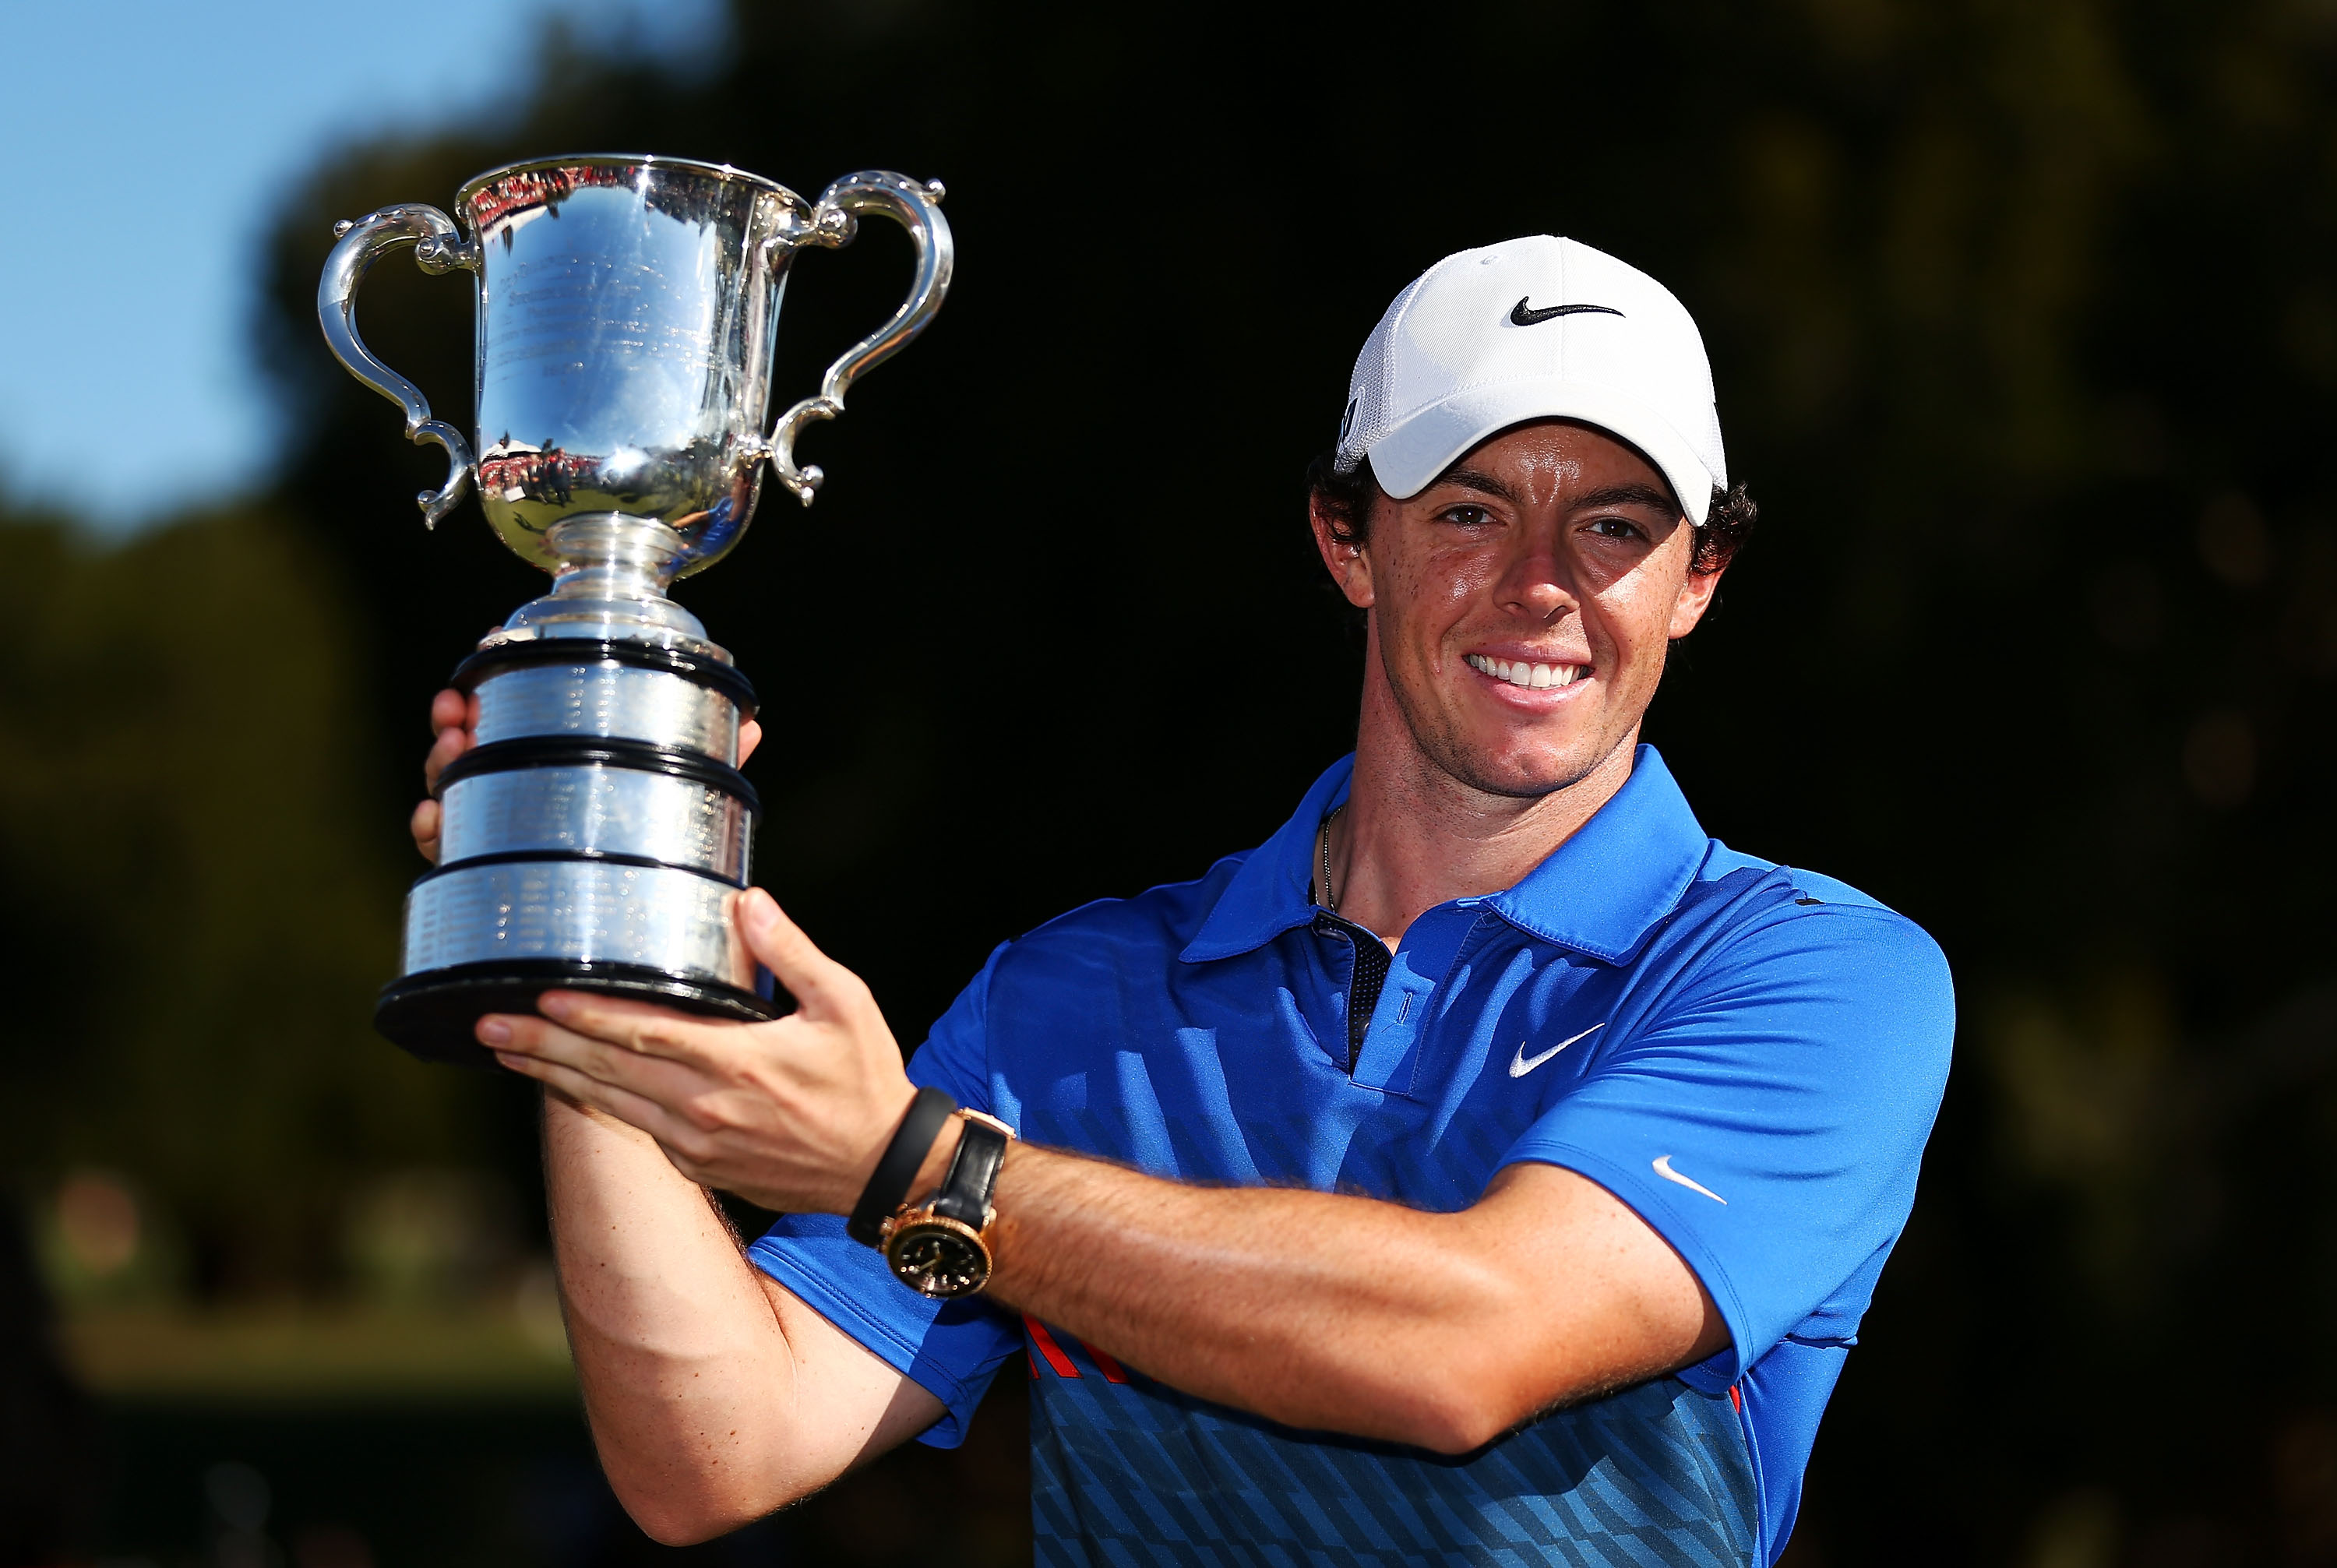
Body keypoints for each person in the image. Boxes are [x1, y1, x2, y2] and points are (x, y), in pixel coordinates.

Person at [410, 235, 1953, 1566]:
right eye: (1469, 510)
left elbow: (1468, 1340)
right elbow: (715, 1446)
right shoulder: (1070, 1002)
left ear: (1698, 580)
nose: (1544, 582)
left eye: (1616, 524)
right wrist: (588, 941)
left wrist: (915, 1165)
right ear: (1349, 540)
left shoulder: (1814, 977)